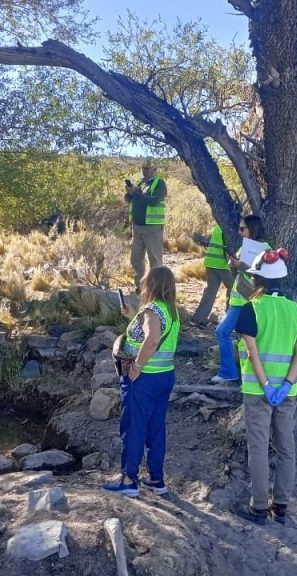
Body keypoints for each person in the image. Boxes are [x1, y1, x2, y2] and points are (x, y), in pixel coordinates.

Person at [232, 248, 297, 525]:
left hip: (257, 392)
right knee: (286, 447)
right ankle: (282, 506)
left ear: (256, 280)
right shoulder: (294, 310)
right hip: (287, 393)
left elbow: (252, 352)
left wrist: (265, 385)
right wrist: (287, 384)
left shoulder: (251, 308)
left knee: (259, 448)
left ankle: (259, 508)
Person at [103, 267, 180, 497]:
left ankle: (129, 480)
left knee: (134, 428)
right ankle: (156, 479)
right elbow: (153, 332)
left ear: (153, 284)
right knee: (155, 428)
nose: (141, 284)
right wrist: (132, 316)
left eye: (144, 281)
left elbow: (152, 338)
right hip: (164, 376)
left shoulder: (152, 310)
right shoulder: (170, 311)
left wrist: (137, 366)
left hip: (143, 379)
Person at [211, 215, 270, 384]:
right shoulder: (245, 246)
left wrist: (241, 266)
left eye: (242, 228)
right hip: (238, 300)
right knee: (242, 337)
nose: (239, 232)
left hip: (248, 302)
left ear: (253, 229)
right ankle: (242, 373)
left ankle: (229, 372)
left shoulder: (265, 249)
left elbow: (263, 275)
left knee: (223, 332)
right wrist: (234, 266)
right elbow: (241, 273)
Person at [125, 159, 168, 293]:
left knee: (155, 260)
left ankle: (156, 290)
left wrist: (137, 194)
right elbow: (131, 200)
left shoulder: (159, 183)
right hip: (137, 227)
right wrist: (130, 193)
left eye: (148, 168)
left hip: (152, 228)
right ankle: (141, 287)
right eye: (143, 168)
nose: (145, 170)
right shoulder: (140, 182)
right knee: (136, 259)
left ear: (155, 169)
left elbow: (154, 201)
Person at [189, 223, 233, 329]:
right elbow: (229, 247)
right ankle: (230, 320)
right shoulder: (229, 227)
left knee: (210, 291)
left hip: (210, 262)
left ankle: (199, 319)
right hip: (222, 265)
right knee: (234, 289)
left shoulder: (219, 225)